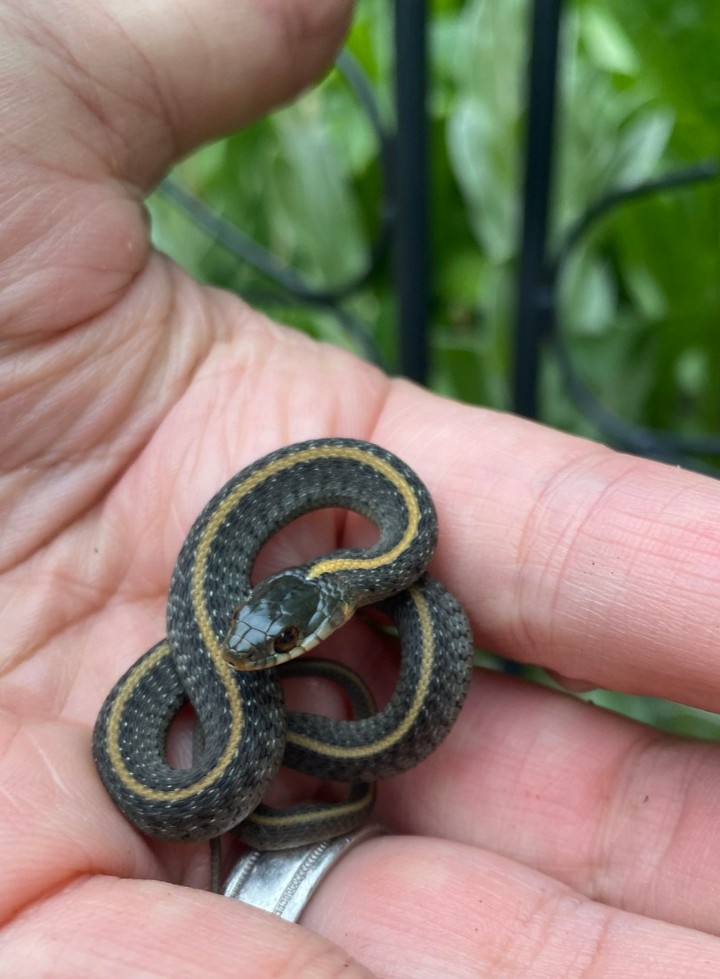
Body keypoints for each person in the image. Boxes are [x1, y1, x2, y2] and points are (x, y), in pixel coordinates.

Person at [1, 1, 719, 976]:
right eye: (273, 634)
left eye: (286, 642)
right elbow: (250, 635)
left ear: (330, 608)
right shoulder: (292, 597)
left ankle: (332, 770)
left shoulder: (394, 543)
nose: (259, 649)